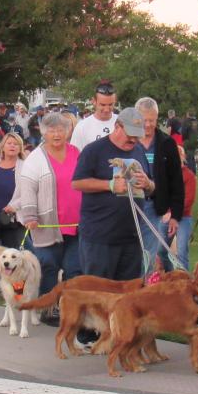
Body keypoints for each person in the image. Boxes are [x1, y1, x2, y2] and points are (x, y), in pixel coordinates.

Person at [72, 107, 154, 281]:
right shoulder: (94, 150)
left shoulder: (139, 151)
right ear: (117, 127)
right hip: (100, 238)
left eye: (137, 135)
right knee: (98, 295)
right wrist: (109, 184)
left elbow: (152, 186)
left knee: (127, 298)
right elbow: (77, 182)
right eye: (130, 134)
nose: (133, 139)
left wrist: (148, 184)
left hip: (132, 237)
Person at [19, 112, 82, 312]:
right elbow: (27, 188)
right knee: (48, 266)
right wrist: (29, 216)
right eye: (52, 130)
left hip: (76, 224)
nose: (57, 134)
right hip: (47, 224)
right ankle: (46, 308)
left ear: (68, 131)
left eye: (61, 129)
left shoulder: (76, 152)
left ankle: (70, 310)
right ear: (44, 133)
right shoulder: (35, 158)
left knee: (74, 269)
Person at [135, 97, 184, 272]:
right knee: (129, 256)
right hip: (128, 206)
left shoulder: (167, 143)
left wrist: (175, 215)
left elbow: (177, 181)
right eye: (144, 120)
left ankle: (144, 291)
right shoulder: (128, 141)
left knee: (147, 257)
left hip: (153, 207)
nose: (148, 125)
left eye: (152, 120)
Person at [70, 80, 118, 150]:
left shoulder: (123, 123)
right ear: (93, 101)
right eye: (102, 105)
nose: (106, 109)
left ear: (115, 101)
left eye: (110, 104)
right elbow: (74, 155)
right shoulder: (82, 127)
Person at [173, 146, 197, 271]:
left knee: (181, 251)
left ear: (182, 157)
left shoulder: (189, 176)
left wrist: (171, 213)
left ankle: (184, 281)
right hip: (166, 216)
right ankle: (168, 277)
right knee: (159, 251)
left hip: (183, 218)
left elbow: (188, 201)